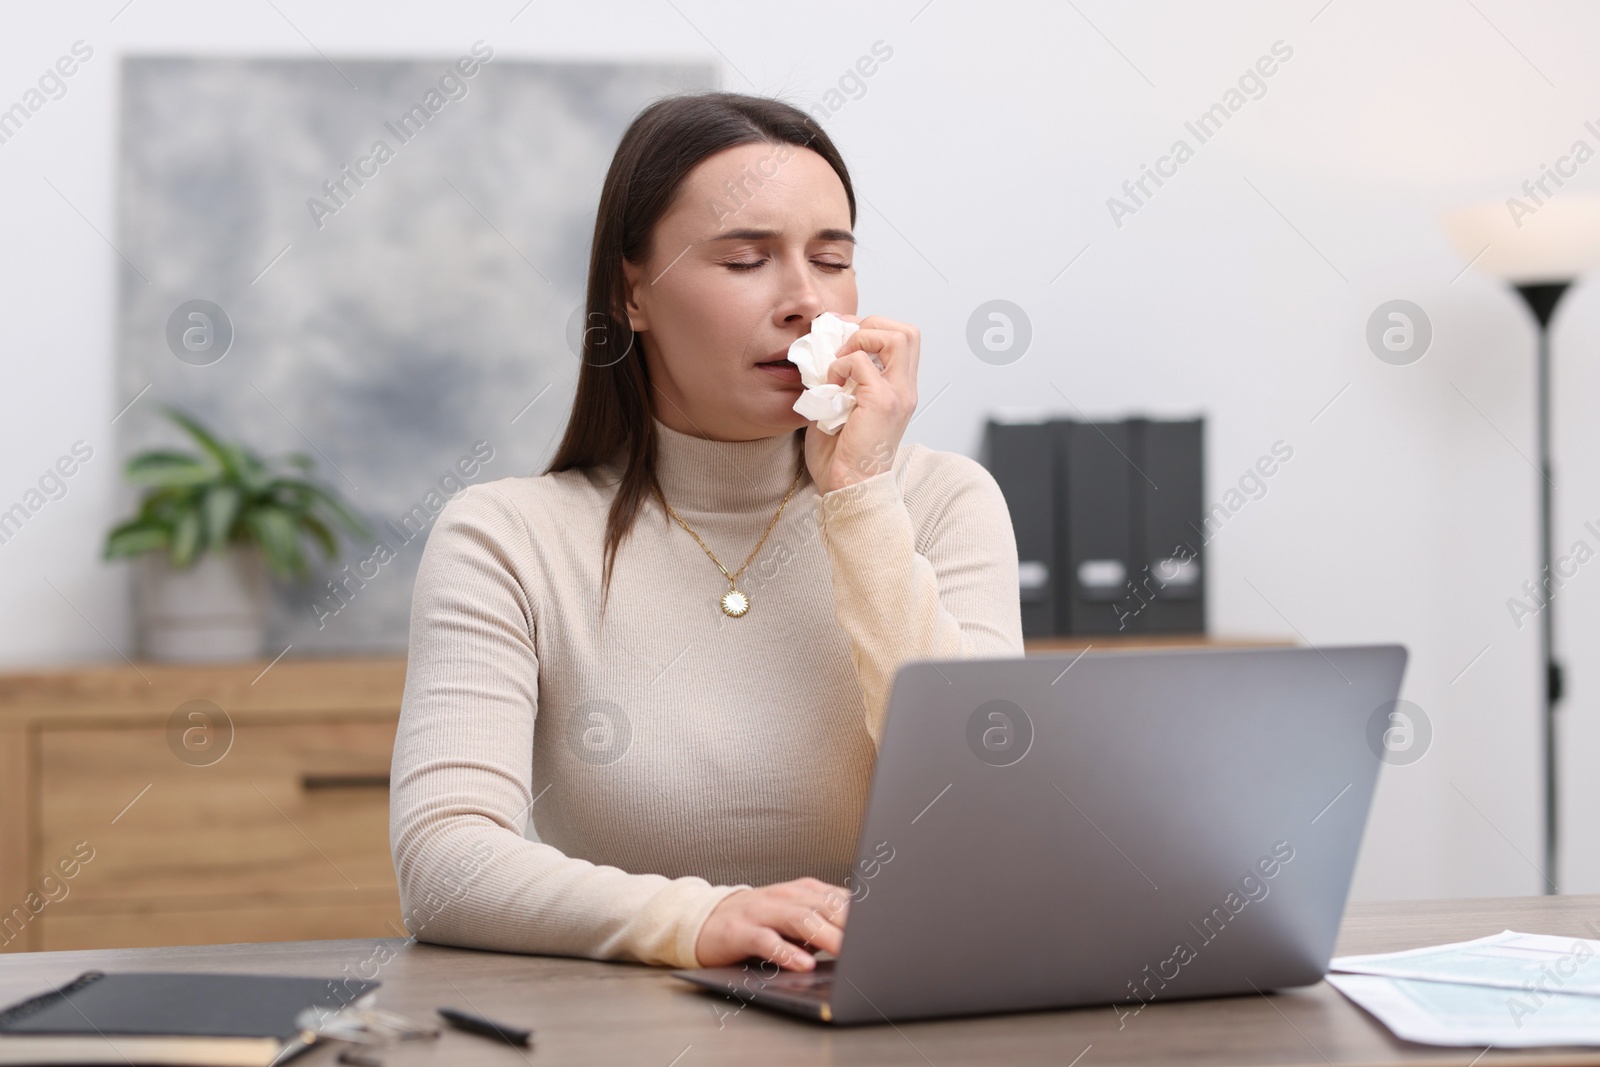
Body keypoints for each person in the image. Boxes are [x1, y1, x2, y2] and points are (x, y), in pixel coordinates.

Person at [389, 90, 1023, 975]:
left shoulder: (943, 501)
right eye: (746, 260)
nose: (805, 301)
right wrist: (697, 919)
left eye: (832, 259)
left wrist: (859, 498)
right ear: (632, 293)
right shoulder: (506, 538)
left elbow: (991, 809)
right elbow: (445, 862)